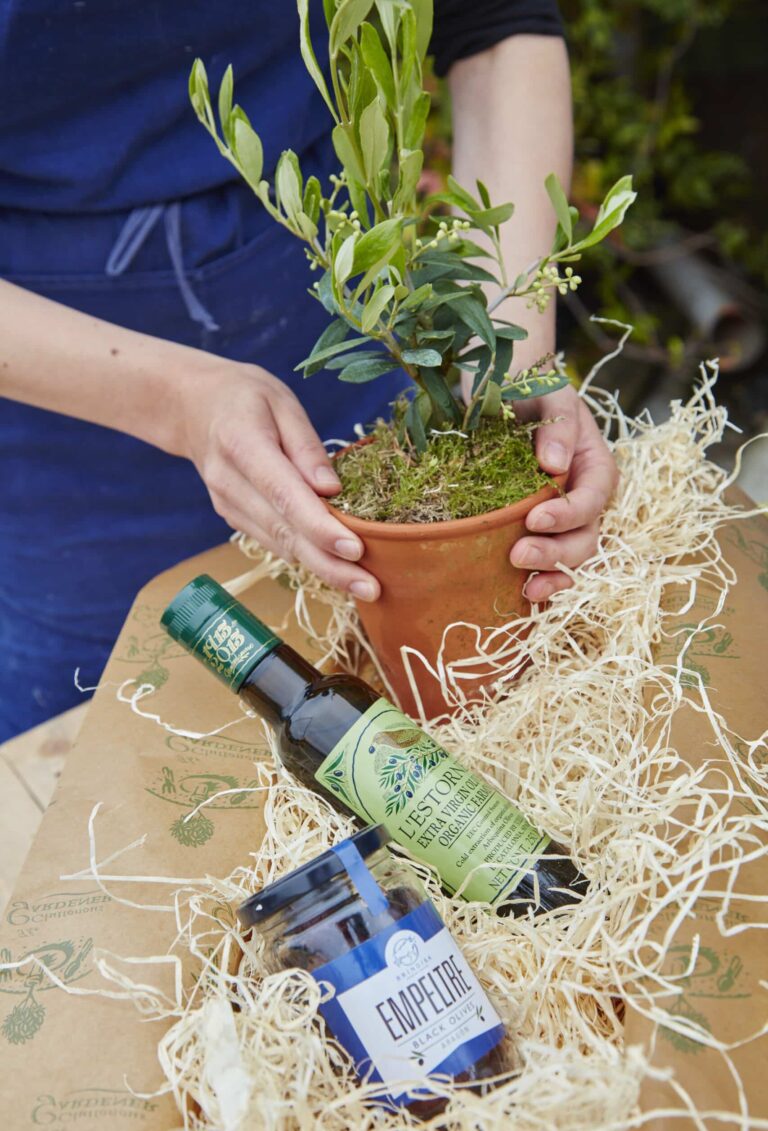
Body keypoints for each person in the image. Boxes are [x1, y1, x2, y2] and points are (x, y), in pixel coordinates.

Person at [0, 1, 618, 740]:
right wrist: (177, 401)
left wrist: (508, 352)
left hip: (342, 305)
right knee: (119, 744)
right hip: (70, 423)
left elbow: (490, 22)